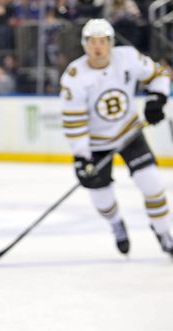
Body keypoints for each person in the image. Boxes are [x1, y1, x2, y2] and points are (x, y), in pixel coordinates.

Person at [60, 19, 173, 256]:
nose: (97, 48)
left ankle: (163, 233)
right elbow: (74, 122)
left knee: (153, 185)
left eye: (102, 42)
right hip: (95, 144)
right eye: (92, 42)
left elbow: (159, 75)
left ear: (111, 43)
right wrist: (82, 157)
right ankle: (116, 225)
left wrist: (156, 98)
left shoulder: (128, 57)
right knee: (103, 201)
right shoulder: (74, 76)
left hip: (129, 134)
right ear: (84, 44)